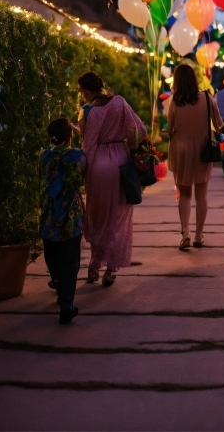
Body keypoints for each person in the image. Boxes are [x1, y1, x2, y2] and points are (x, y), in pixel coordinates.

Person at [78, 71, 146, 286]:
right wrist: (130, 148)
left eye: (81, 92)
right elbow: (140, 130)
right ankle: (111, 270)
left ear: (87, 91)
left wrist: (80, 172)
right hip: (121, 164)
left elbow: (88, 146)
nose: (81, 96)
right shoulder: (119, 102)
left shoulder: (90, 112)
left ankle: (94, 265)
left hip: (98, 167)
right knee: (119, 217)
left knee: (98, 217)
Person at [167, 64, 223, 250]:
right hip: (202, 151)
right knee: (201, 195)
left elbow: (170, 128)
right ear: (194, 78)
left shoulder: (175, 100)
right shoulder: (207, 98)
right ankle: (199, 235)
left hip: (181, 150)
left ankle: (185, 233)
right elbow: (219, 124)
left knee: (184, 194)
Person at [40, 117, 85, 325]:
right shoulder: (75, 156)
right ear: (70, 135)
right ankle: (67, 302)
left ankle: (59, 289)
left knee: (53, 256)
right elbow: (82, 180)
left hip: (50, 212)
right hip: (70, 214)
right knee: (70, 258)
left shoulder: (45, 156)